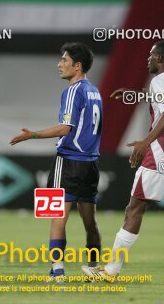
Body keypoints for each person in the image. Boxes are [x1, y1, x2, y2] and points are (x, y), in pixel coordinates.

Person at [82, 41, 164, 286]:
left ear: (159, 57)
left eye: (150, 55)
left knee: (134, 210)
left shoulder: (159, 80)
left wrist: (145, 142)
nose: (147, 59)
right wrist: (135, 95)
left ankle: (111, 271)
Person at [9, 42, 103, 282]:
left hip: (69, 160)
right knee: (90, 221)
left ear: (77, 65)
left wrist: (32, 135)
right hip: (91, 163)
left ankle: (57, 272)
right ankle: (94, 267)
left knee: (57, 217)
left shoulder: (72, 91)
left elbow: (65, 127)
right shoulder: (95, 90)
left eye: (64, 60)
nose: (59, 64)